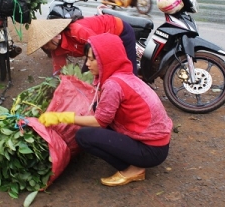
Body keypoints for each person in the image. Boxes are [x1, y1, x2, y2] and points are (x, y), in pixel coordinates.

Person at [39, 33, 173, 187]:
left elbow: (100, 121)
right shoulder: (123, 74)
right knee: (98, 108)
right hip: (156, 142)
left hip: (151, 150)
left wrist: (62, 117)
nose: (87, 64)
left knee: (83, 136)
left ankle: (133, 169)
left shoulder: (112, 85)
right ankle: (131, 155)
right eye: (87, 58)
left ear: (105, 59)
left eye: (92, 59)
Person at [26, 15, 138, 75]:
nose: (46, 48)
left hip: (119, 30)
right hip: (96, 45)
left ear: (55, 36)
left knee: (127, 72)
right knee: (86, 74)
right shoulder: (56, 49)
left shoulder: (75, 31)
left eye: (46, 44)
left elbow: (99, 50)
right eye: (43, 47)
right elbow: (60, 70)